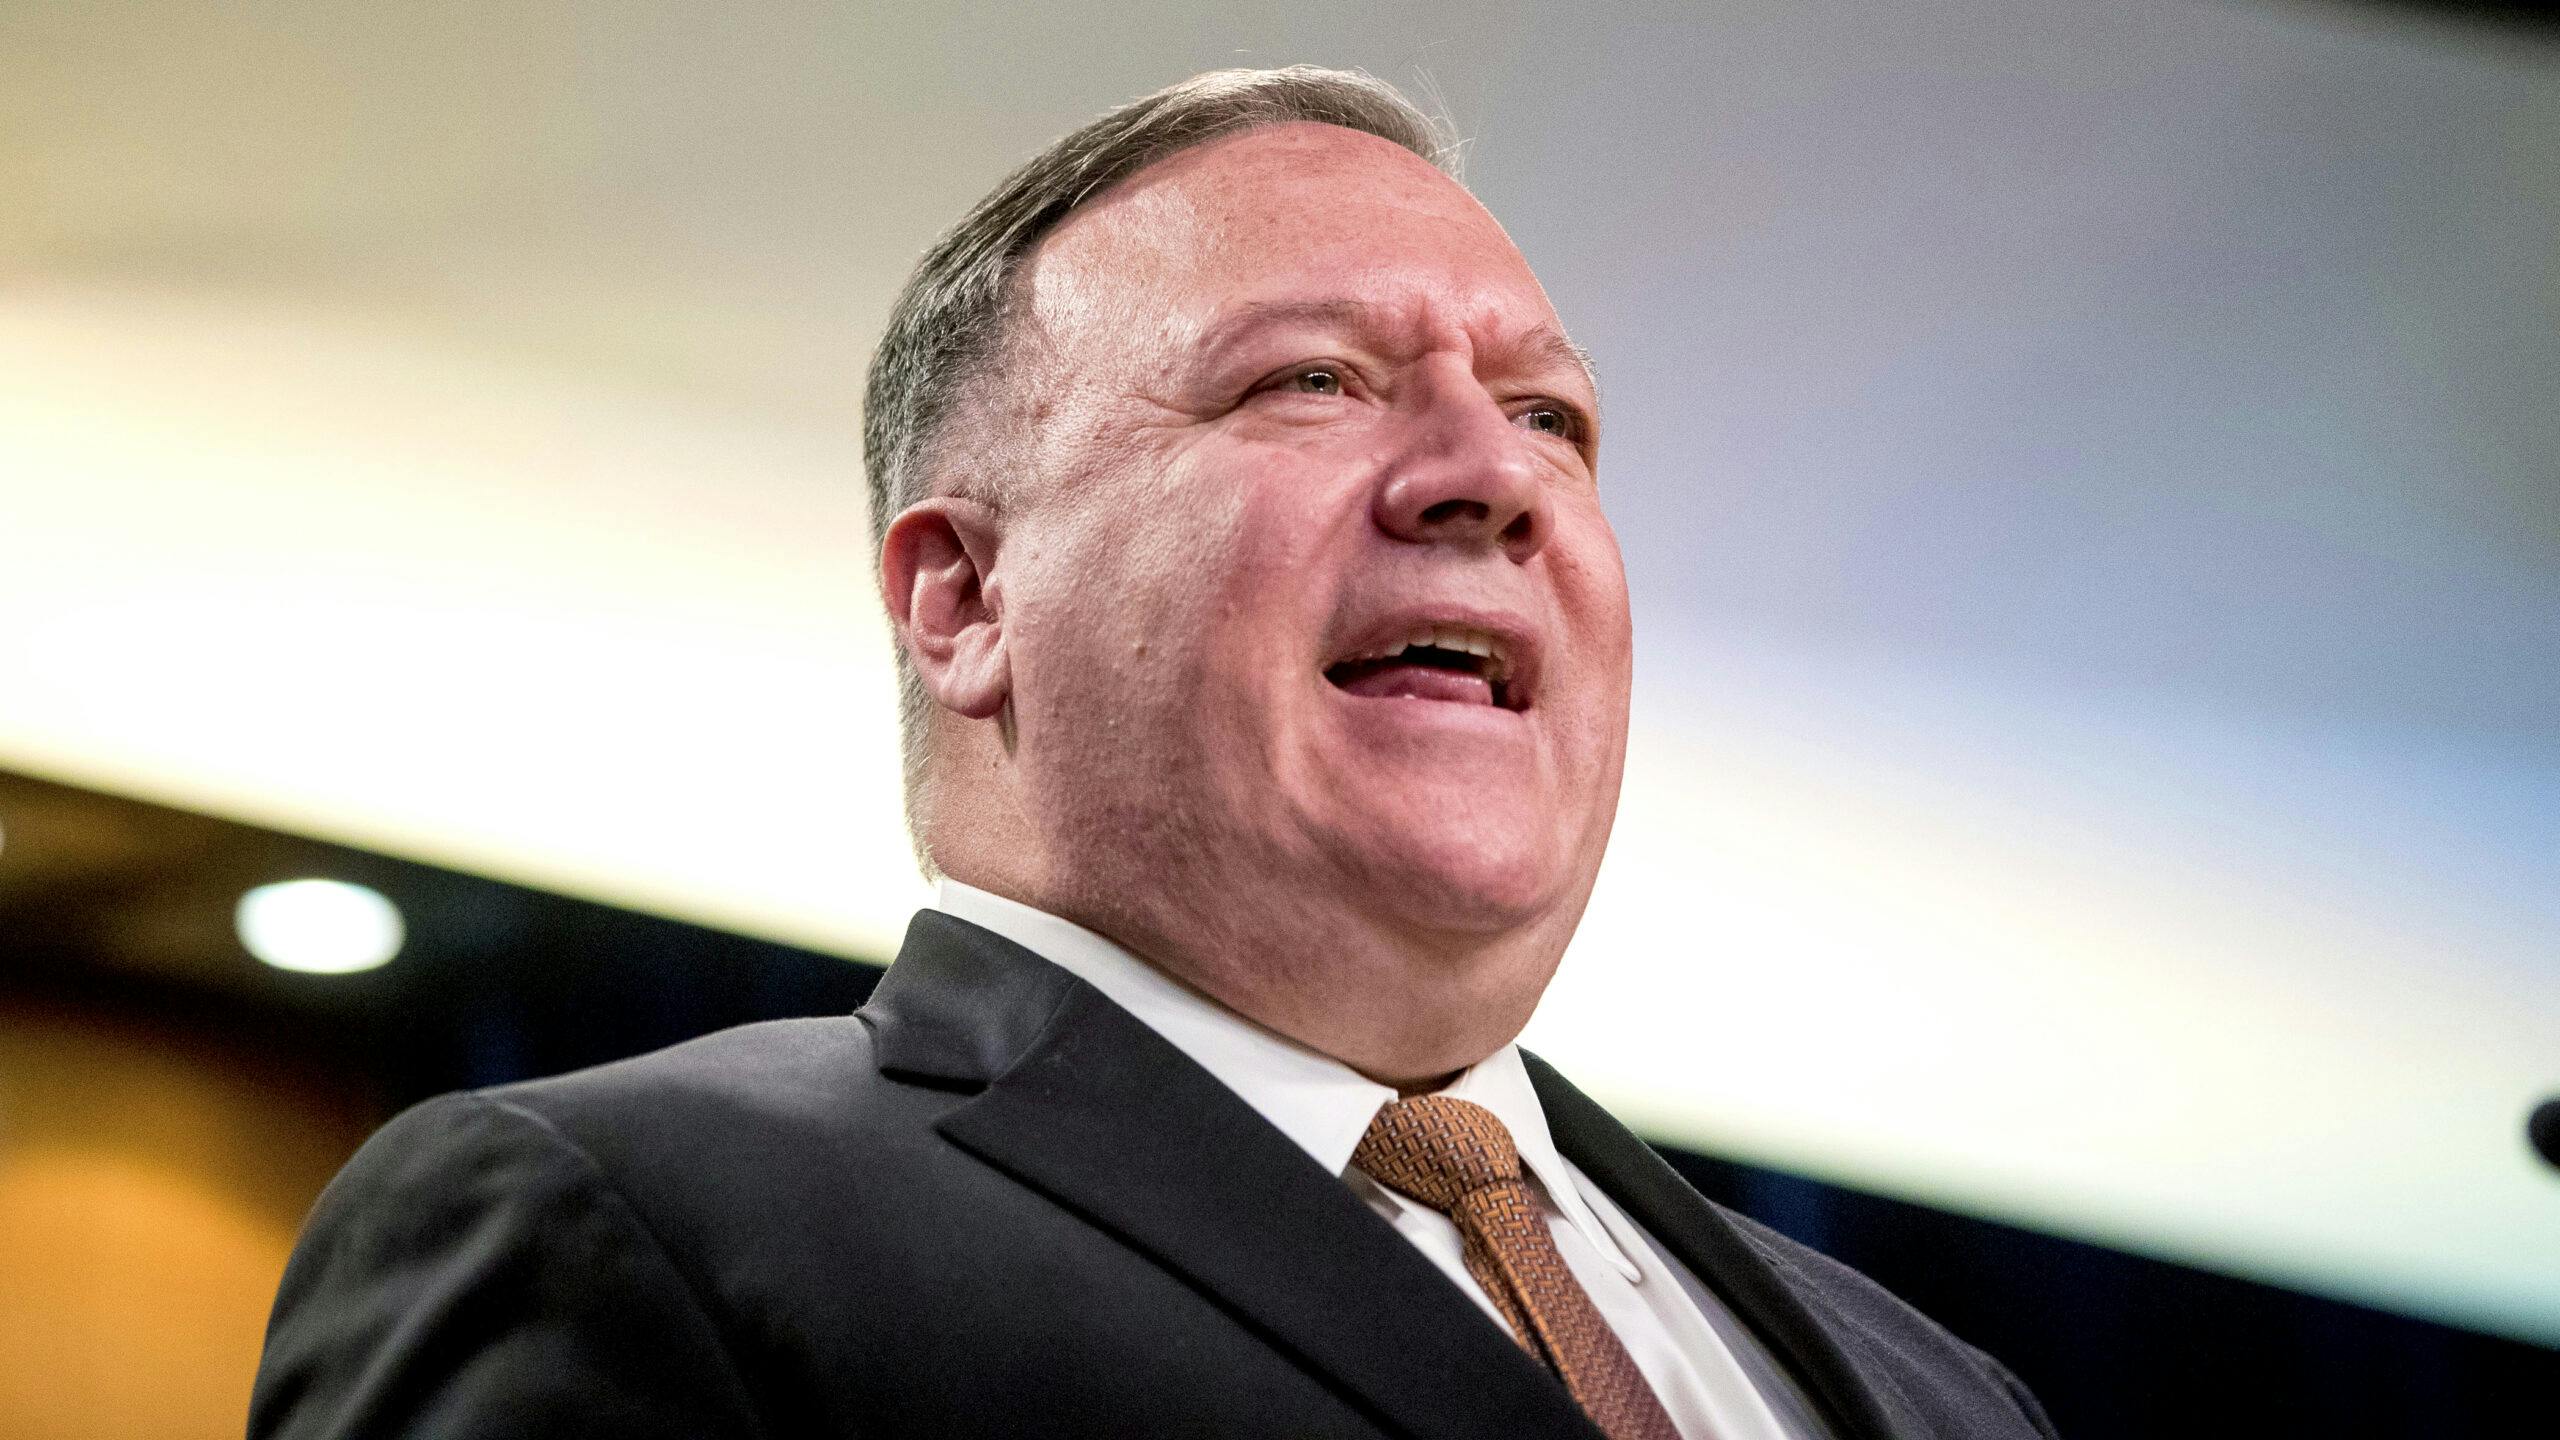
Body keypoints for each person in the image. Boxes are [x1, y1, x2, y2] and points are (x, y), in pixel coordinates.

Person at [250, 67, 2060, 1440]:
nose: (1493, 477)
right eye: (1312, 380)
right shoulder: (626, 1225)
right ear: (966, 597)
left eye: (1549, 416)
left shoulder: (1941, 1390)